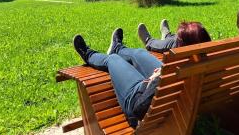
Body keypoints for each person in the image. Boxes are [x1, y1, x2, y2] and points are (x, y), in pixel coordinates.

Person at [73, 23, 211, 127]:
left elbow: (140, 109)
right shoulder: (209, 63)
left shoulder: (170, 74)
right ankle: (118, 48)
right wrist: (162, 74)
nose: (174, 43)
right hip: (168, 84)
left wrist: (153, 81)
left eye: (177, 41)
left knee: (113, 60)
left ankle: (88, 54)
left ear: (182, 48)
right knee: (140, 53)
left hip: (138, 99)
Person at [138, 6, 239, 52]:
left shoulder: (233, 49)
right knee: (179, 39)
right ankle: (167, 36)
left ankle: (150, 41)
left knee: (178, 42)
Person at [137, 20, 211, 52]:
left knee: (168, 42)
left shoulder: (177, 53)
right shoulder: (214, 54)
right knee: (177, 37)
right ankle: (167, 35)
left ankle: (148, 41)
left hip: (176, 49)